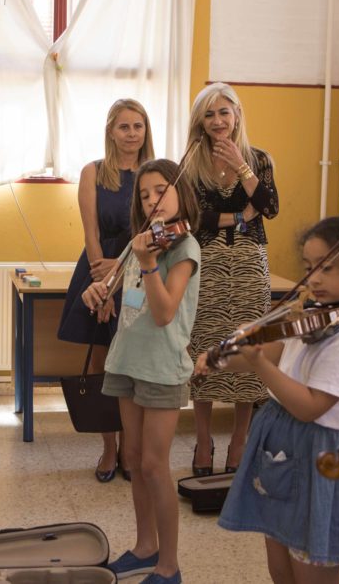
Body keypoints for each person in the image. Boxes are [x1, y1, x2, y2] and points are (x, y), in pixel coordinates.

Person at [197, 216, 339, 584]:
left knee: (310, 567)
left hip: (319, 454)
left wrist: (258, 363)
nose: (313, 279)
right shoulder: (315, 319)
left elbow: (310, 406)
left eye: (327, 268)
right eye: (309, 267)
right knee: (280, 566)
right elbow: (275, 350)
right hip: (282, 445)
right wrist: (219, 360)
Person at [81, 159, 201, 584]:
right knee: (133, 458)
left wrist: (149, 263)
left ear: (181, 194)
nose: (152, 199)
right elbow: (116, 295)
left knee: (154, 465)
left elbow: (166, 312)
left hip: (162, 368)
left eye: (160, 190)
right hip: (127, 361)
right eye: (145, 194)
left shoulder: (183, 248)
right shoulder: (139, 243)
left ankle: (168, 565)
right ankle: (144, 546)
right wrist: (97, 292)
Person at [184, 82, 279, 476]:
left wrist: (242, 167)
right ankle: (203, 439)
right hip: (205, 267)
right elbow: (193, 219)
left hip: (248, 268)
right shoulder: (190, 162)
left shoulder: (258, 158)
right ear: (200, 122)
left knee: (245, 348)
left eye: (225, 112)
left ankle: (239, 439)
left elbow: (269, 206)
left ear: (237, 114)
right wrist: (240, 216)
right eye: (210, 114)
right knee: (203, 347)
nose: (218, 120)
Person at [58, 99, 154, 482]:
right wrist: (101, 285)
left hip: (138, 273)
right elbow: (91, 232)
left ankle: (133, 450)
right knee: (101, 364)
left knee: (131, 364)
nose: (132, 134)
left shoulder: (155, 174)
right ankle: (109, 449)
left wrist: (123, 269)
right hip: (99, 270)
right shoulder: (93, 172)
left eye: (138, 126)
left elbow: (155, 233)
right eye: (124, 127)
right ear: (111, 131)